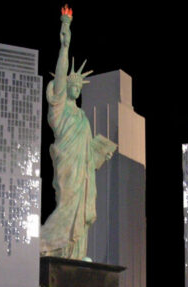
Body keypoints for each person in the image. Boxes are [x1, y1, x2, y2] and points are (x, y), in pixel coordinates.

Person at [40, 5, 115, 260]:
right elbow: (60, 77)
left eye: (77, 86)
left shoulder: (82, 117)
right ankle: (43, 245)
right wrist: (64, 44)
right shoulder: (59, 111)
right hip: (67, 169)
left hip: (82, 172)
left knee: (79, 213)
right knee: (66, 207)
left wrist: (99, 150)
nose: (74, 88)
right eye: (70, 85)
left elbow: (86, 151)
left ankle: (74, 254)